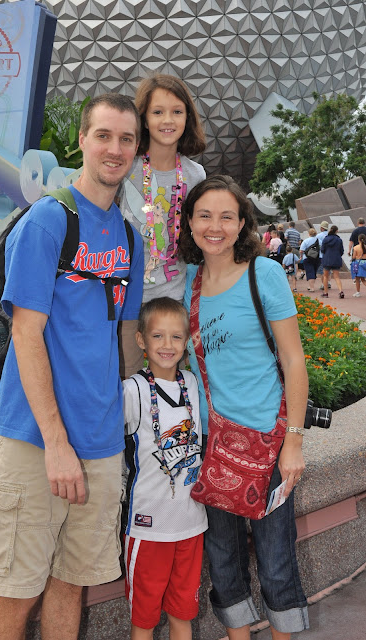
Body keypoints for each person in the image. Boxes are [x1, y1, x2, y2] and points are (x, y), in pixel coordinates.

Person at [0, 94, 145, 640]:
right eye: (104, 136)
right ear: (82, 141)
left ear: (136, 149)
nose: (114, 149)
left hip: (101, 442)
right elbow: (26, 333)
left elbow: (124, 338)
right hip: (36, 439)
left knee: (72, 584)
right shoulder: (49, 220)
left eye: (126, 139)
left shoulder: (130, 238)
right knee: (18, 591)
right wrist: (55, 443)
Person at [179, 175, 309, 640]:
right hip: (210, 444)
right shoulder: (189, 281)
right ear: (189, 222)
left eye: (226, 217)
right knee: (223, 558)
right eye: (204, 216)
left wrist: (293, 442)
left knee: (276, 560)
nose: (215, 227)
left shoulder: (263, 273)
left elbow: (293, 360)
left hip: (265, 443)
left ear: (241, 223)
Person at [123, 297, 207, 640]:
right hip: (148, 528)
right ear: (141, 339)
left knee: (183, 615)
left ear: (186, 341)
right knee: (144, 621)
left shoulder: (192, 384)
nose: (167, 345)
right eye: (158, 336)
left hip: (191, 524)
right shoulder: (133, 390)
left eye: (176, 336)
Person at [119, 73, 206, 378]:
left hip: (173, 298)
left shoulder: (196, 175)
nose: (167, 120)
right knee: (128, 381)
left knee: (171, 384)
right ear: (143, 119)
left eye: (177, 111)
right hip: (127, 300)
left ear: (188, 117)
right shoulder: (126, 168)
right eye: (157, 112)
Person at [320, 225, 345, 298]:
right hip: (336, 259)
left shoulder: (326, 239)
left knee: (325, 276)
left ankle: (325, 293)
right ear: (337, 231)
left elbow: (322, 250)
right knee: (336, 277)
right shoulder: (339, 240)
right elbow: (341, 251)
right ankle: (341, 291)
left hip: (327, 259)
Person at [299, 227, 320, 291]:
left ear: (309, 234)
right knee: (314, 272)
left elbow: (301, 250)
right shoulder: (319, 241)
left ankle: (312, 287)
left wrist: (301, 257)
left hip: (307, 258)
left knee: (309, 272)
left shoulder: (306, 241)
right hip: (317, 258)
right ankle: (311, 285)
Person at [316, 221, 331, 290]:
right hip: (329, 255)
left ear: (322, 228)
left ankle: (323, 284)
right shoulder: (330, 235)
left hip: (322, 255)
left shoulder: (319, 236)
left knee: (323, 270)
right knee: (328, 270)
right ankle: (329, 282)